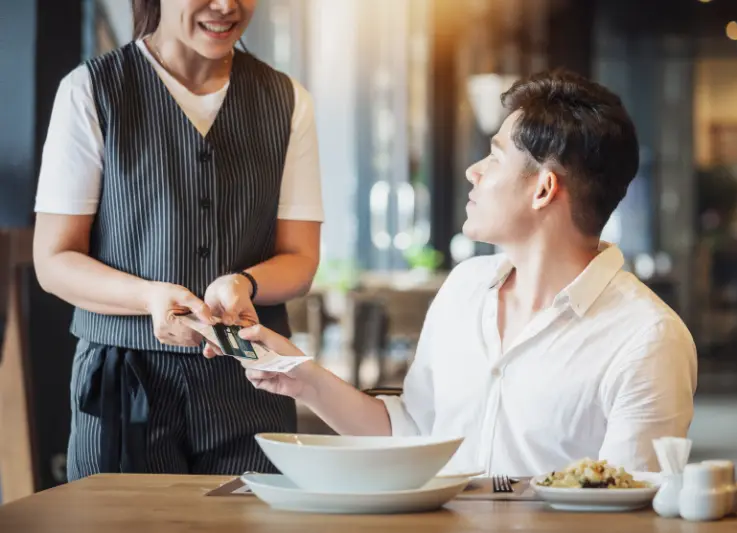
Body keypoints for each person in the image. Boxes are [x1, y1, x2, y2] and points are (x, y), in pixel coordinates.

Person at [229, 69, 697, 476]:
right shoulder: (466, 287)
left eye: (494, 157)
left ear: (543, 189)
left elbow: (627, 510)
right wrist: (302, 377)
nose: (474, 171)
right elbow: (411, 434)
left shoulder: (647, 340)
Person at [32, 0, 323, 480]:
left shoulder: (287, 99)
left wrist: (245, 283)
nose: (227, 6)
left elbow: (300, 258)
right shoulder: (91, 90)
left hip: (254, 380)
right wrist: (149, 297)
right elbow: (54, 258)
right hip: (124, 384)